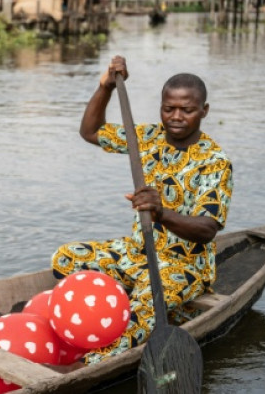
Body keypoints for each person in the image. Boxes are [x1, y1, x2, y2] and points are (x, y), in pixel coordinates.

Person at [51, 55, 232, 365]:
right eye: (168, 109)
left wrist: (161, 213)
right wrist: (106, 87)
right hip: (137, 251)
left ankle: (91, 363)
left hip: (183, 265)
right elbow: (90, 131)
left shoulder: (214, 162)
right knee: (65, 258)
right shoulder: (147, 138)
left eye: (187, 110)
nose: (176, 116)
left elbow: (206, 230)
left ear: (204, 111)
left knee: (146, 304)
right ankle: (127, 296)